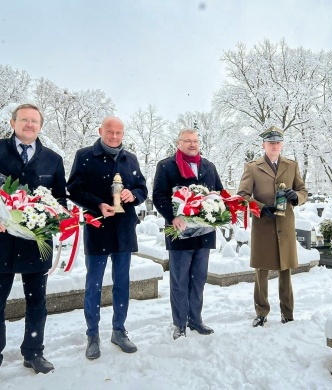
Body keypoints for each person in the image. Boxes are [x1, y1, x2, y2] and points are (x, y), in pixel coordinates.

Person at [67, 116, 147, 360]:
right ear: (100, 130)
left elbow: (143, 189)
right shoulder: (85, 156)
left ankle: (119, 330)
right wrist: (98, 204)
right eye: (109, 132)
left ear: (123, 133)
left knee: (122, 283)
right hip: (98, 227)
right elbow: (74, 189)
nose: (114, 136)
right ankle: (93, 334)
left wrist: (132, 195)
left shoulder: (130, 158)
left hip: (123, 229)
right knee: (94, 284)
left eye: (118, 132)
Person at [0, 103, 67, 373]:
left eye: (34, 121)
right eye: (24, 120)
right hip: (2, 241)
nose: (29, 125)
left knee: (37, 301)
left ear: (40, 126)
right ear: (13, 122)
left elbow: (60, 199)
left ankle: (33, 351)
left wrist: (53, 217)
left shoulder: (53, 159)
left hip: (37, 241)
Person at [152, 128, 223, 340]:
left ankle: (196, 319)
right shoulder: (166, 166)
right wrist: (173, 216)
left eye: (195, 141)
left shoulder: (209, 167)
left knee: (198, 279)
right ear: (179, 143)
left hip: (204, 233)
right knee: (180, 280)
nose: (192, 144)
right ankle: (179, 322)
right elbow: (159, 195)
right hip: (179, 231)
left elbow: (218, 192)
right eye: (188, 141)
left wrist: (219, 210)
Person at [237, 126, 308, 327]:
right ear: (264, 145)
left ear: (282, 144)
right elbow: (242, 196)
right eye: (271, 143)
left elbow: (302, 190)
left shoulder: (291, 165)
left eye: (278, 142)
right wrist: (259, 208)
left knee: (286, 269)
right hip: (263, 224)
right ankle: (261, 312)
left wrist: (297, 197)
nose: (275, 145)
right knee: (261, 270)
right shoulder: (252, 167)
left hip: (285, 223)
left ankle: (288, 312)